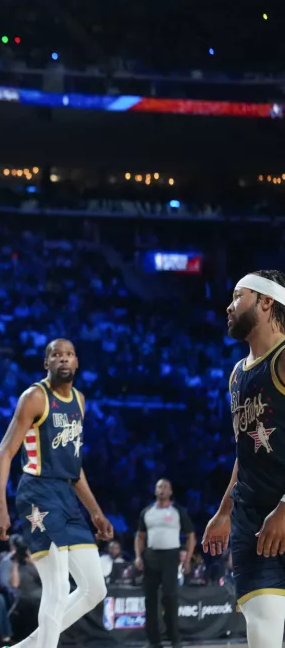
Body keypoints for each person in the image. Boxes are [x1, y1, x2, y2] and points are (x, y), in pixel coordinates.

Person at [0, 338, 111, 648]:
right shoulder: (34, 397)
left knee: (95, 589)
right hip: (36, 493)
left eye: (69, 354)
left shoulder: (80, 401)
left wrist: (96, 512)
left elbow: (75, 467)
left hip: (66, 496)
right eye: (56, 355)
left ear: (77, 362)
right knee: (56, 587)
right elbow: (4, 453)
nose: (63, 359)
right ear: (46, 363)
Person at [202, 270, 285, 648]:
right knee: (263, 631)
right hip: (251, 519)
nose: (229, 305)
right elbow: (246, 452)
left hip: (281, 509)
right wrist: (224, 510)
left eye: (238, 296)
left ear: (266, 301)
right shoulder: (237, 375)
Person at [135, 478, 195, 648]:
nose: (162, 489)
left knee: (170, 597)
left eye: (165, 486)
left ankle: (175, 639)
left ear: (171, 491)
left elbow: (191, 535)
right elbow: (139, 536)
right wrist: (138, 556)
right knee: (150, 599)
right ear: (155, 491)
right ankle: (153, 641)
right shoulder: (147, 512)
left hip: (171, 556)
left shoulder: (178, 511)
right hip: (151, 556)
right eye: (159, 487)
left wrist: (188, 558)